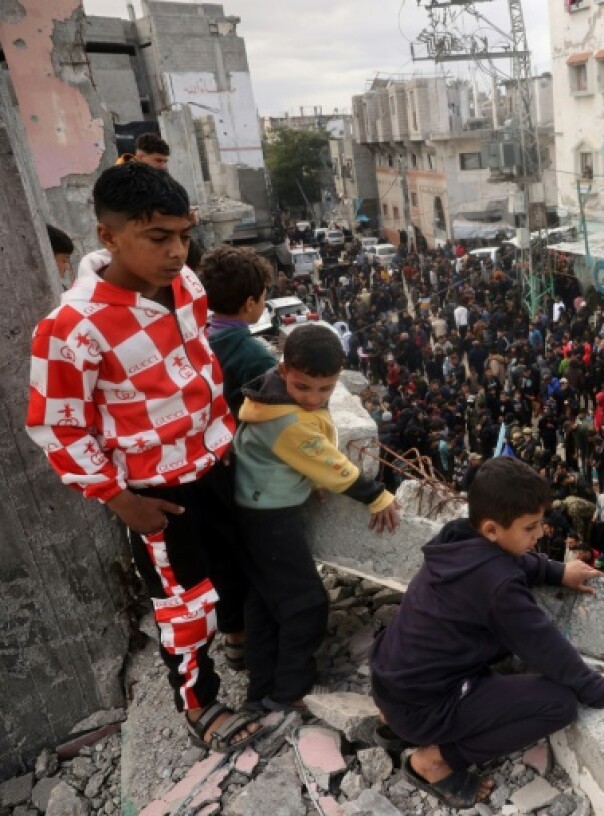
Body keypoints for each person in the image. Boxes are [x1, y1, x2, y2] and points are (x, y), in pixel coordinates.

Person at [25, 162, 261, 753]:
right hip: (158, 490)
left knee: (233, 563)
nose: (177, 251)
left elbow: (198, 370)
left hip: (216, 464)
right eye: (159, 237)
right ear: (108, 236)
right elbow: (57, 426)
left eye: (184, 235)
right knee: (182, 600)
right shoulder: (71, 327)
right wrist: (119, 498)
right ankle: (199, 702)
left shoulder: (190, 288)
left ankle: (237, 637)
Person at [369, 457, 604, 808]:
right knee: (558, 705)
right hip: (427, 707)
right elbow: (542, 643)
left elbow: (508, 559)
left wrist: (555, 571)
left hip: (393, 683)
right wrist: (597, 691)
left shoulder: (458, 537)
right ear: (490, 529)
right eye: (530, 528)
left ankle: (392, 722)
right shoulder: (496, 585)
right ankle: (436, 761)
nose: (540, 534)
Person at [232, 325, 399, 710]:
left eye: (324, 390)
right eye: (304, 387)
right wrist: (376, 495)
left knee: (264, 601)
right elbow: (332, 465)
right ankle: (289, 690)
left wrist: (306, 477)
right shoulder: (288, 421)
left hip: (255, 509)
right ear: (285, 369)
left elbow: (303, 458)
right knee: (305, 603)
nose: (313, 398)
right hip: (269, 518)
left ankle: (262, 690)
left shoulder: (270, 394)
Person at [197, 246, 278, 416]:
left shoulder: (197, 338)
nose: (264, 303)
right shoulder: (257, 359)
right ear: (250, 304)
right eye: (263, 296)